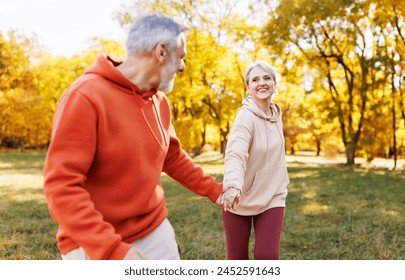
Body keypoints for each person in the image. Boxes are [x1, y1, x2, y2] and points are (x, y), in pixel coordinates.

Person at [43, 13, 226, 260]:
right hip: (93, 242)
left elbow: (171, 158)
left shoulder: (159, 101)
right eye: (180, 57)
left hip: (154, 229)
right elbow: (61, 187)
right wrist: (113, 250)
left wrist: (216, 191)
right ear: (161, 52)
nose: (182, 66)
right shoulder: (85, 96)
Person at [220, 61, 290, 260]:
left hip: (273, 195)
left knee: (266, 256)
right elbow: (235, 153)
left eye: (267, 78)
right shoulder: (245, 118)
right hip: (241, 196)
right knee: (237, 260)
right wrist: (233, 184)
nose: (262, 83)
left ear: (275, 84)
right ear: (248, 88)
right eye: (255, 79)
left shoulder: (276, 114)